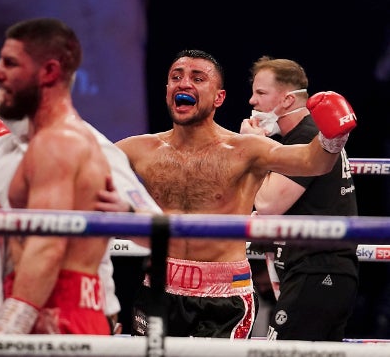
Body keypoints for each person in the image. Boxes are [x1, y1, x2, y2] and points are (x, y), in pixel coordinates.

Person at [115, 49, 357, 339]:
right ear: (167, 90)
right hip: (158, 287)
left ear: (219, 97)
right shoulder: (139, 149)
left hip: (224, 295)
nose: (184, 83)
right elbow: (87, 164)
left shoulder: (245, 150)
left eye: (198, 77)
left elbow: (312, 161)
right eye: (176, 77)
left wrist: (334, 137)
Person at [0, 17, 160, 336]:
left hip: (61, 310)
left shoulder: (86, 145)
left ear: (48, 72)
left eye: (10, 63)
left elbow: (158, 234)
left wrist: (126, 215)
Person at [240, 56, 359, 341]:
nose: (251, 101)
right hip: (315, 271)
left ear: (287, 100)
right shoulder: (303, 139)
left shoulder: (309, 138)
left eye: (261, 93)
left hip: (317, 270)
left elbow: (268, 204)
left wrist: (253, 147)